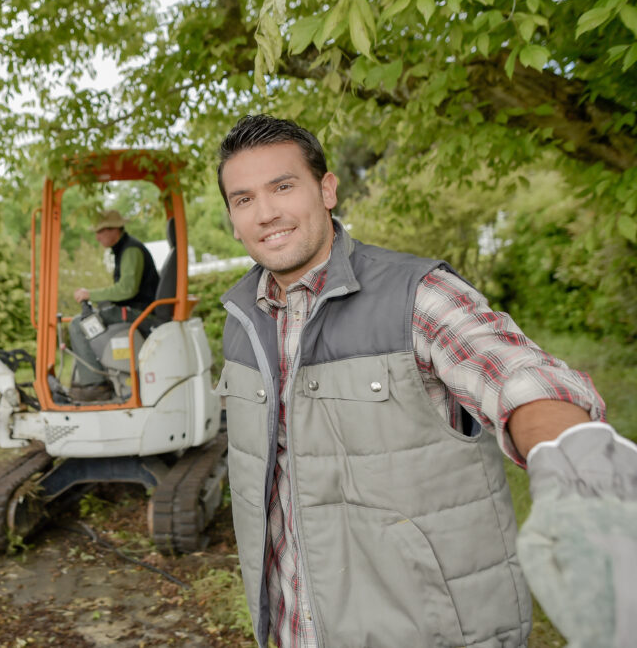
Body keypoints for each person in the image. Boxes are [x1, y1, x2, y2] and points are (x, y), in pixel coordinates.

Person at [216, 114, 637, 647]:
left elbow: (514, 373)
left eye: (283, 186)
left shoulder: (416, 294)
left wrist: (580, 462)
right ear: (232, 218)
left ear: (326, 190)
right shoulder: (240, 321)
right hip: (297, 627)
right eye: (244, 199)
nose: (267, 212)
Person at [68, 209, 159, 401]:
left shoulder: (131, 250)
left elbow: (126, 290)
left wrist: (90, 294)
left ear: (114, 230)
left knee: (78, 325)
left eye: (100, 232)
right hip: (137, 310)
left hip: (140, 314)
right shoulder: (123, 249)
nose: (97, 237)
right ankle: (105, 374)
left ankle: (95, 385)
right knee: (89, 320)